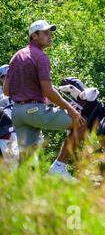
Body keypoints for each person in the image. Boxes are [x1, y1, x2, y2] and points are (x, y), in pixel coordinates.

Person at [2, 20, 86, 179]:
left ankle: (19, 193)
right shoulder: (41, 57)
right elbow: (48, 91)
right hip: (35, 111)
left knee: (26, 161)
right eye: (46, 33)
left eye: (51, 33)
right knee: (81, 124)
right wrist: (71, 109)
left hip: (18, 113)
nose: (50, 36)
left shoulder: (16, 56)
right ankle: (59, 168)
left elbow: (6, 91)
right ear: (34, 36)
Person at [0, 64, 20, 170]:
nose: (6, 79)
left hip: (22, 130)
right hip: (7, 132)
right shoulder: (1, 95)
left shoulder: (23, 91)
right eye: (3, 77)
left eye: (8, 76)